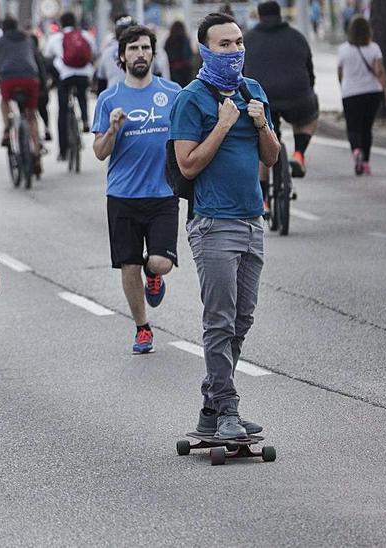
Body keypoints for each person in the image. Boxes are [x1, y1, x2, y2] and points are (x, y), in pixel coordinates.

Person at [169, 12, 279, 440]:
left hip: (252, 220)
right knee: (219, 320)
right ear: (205, 50)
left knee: (242, 319)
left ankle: (211, 406)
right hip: (213, 223)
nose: (234, 51)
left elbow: (270, 157)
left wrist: (260, 123)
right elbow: (187, 164)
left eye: (237, 43)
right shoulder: (192, 99)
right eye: (224, 45)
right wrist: (224, 124)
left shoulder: (254, 91)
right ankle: (228, 408)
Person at [91, 25, 182, 355]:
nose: (139, 54)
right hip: (123, 196)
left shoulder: (172, 93)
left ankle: (154, 276)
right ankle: (142, 328)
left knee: (159, 262)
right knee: (128, 265)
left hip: (163, 193)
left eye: (145, 48)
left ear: (153, 54)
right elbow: (100, 151)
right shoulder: (109, 99)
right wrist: (113, 129)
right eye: (132, 49)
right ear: (121, 56)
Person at [244, 1, 319, 181]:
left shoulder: (247, 39)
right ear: (280, 14)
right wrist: (309, 88)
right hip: (296, 96)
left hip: (260, 99)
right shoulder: (297, 37)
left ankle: (263, 199)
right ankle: (299, 154)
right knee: (309, 118)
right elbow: (310, 70)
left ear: (260, 16)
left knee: (263, 141)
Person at [0, 17, 44, 170]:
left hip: (8, 79)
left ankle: (8, 129)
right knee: (31, 115)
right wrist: (42, 84)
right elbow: (39, 62)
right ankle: (36, 153)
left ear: (3, 29)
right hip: (31, 79)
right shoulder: (28, 39)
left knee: (4, 102)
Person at [337, 16, 386, 176]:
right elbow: (380, 71)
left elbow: (340, 73)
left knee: (352, 127)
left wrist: (343, 87)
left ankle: (355, 150)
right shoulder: (374, 48)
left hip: (350, 93)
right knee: (366, 128)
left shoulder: (343, 50)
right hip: (371, 92)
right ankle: (366, 162)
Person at [44, 12, 97, 161]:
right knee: (82, 95)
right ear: (75, 22)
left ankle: (63, 150)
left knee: (62, 111)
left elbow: (47, 56)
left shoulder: (56, 38)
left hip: (65, 76)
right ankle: (86, 120)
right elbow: (93, 53)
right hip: (84, 74)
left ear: (61, 23)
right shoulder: (85, 35)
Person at [164, 21, 197, 86]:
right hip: (185, 70)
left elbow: (166, 54)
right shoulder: (186, 39)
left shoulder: (169, 40)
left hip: (173, 70)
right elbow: (189, 54)